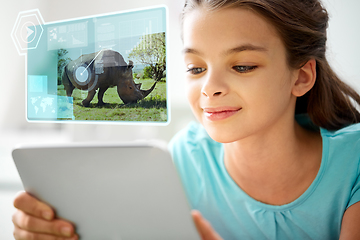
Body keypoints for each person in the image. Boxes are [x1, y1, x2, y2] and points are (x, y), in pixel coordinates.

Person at [12, 0, 360, 239]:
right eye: (196, 68)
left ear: (301, 77)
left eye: (242, 66)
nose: (210, 88)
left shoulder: (354, 163)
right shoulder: (182, 159)